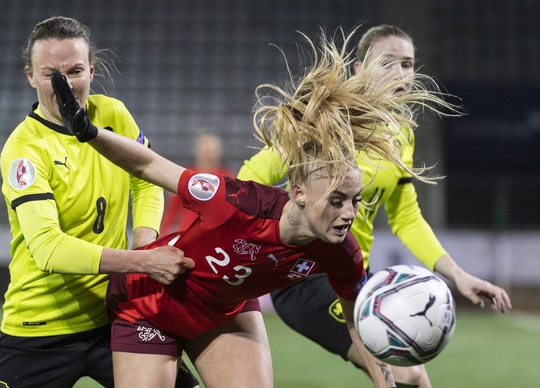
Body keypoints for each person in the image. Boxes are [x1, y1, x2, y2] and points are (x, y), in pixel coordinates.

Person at [51, 27, 457, 388]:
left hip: (226, 310)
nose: (348, 214)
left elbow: (357, 324)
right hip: (153, 303)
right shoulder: (235, 202)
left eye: (355, 200)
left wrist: (386, 383)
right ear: (297, 192)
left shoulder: (342, 251)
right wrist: (88, 132)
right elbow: (149, 164)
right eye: (336, 200)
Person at [237, 24, 512, 387]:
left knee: (414, 377)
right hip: (305, 276)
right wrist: (274, 238)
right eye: (388, 62)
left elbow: (406, 218)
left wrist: (458, 275)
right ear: (358, 68)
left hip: (355, 279)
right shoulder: (324, 121)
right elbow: (249, 179)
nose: (401, 73)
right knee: (407, 374)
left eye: (408, 64)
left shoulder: (401, 134)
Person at [0, 16, 198, 388]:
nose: (65, 84)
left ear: (93, 71)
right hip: (38, 329)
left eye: (75, 70)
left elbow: (145, 179)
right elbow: (48, 249)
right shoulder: (24, 150)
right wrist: (143, 261)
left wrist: (145, 236)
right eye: (51, 73)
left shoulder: (112, 115)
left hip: (115, 318)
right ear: (30, 76)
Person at [161, 131, 235, 235]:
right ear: (196, 151)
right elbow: (172, 210)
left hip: (217, 235)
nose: (208, 155)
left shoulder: (227, 177)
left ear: (219, 152)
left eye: (211, 151)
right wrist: (162, 238)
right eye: (205, 151)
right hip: (188, 235)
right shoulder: (184, 176)